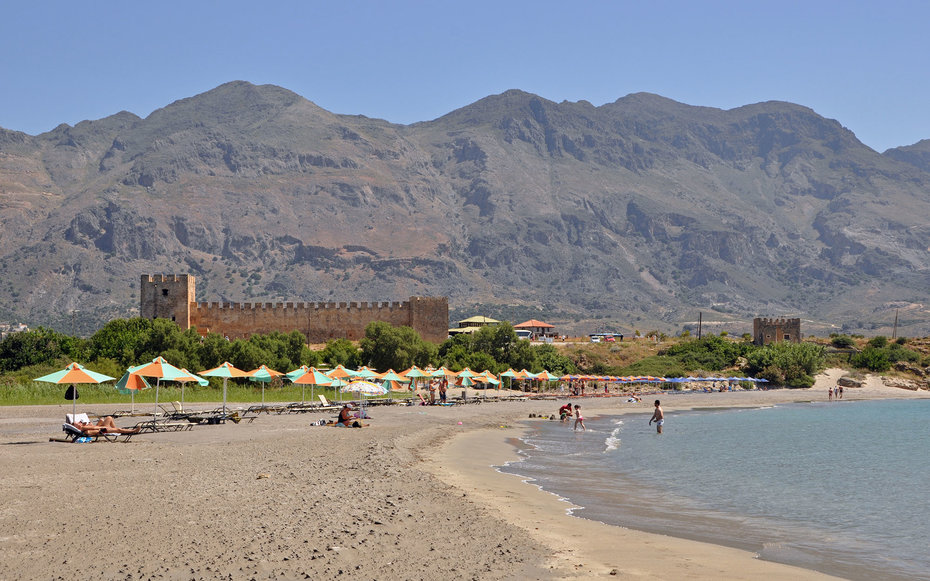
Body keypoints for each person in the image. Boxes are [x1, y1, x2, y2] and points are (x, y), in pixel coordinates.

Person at [72, 416, 139, 436]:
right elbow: (95, 428)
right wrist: (103, 426)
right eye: (77, 423)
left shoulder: (83, 427)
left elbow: (94, 427)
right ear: (76, 427)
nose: (79, 423)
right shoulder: (83, 427)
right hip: (101, 430)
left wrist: (100, 423)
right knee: (119, 429)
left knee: (109, 418)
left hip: (100, 429)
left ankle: (115, 431)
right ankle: (133, 431)